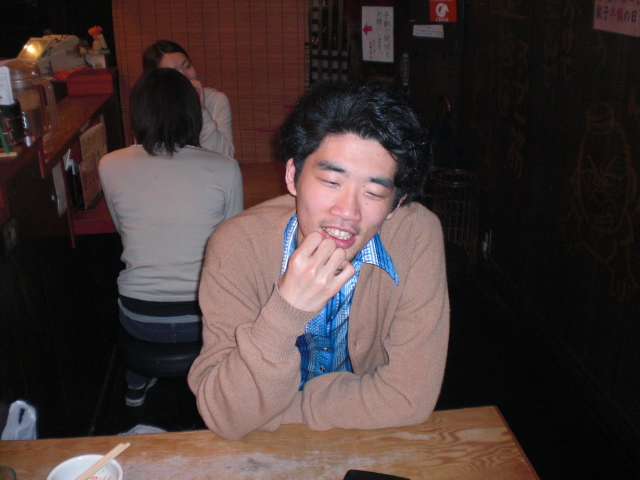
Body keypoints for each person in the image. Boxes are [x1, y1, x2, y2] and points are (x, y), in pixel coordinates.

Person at [188, 78, 449, 440]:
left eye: (374, 192)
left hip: (365, 439)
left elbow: (409, 398)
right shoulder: (236, 247)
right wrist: (286, 310)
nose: (347, 212)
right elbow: (225, 414)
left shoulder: (417, 236)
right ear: (293, 175)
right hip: (264, 445)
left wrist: (276, 410)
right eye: (330, 181)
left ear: (396, 204)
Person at [99, 68, 243, 407]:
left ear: (138, 115)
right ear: (194, 114)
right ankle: (218, 394)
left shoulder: (109, 165)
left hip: (139, 319)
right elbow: (232, 246)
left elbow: (123, 231)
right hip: (203, 318)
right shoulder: (225, 167)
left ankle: (136, 382)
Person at [143, 40, 235, 157]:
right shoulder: (149, 108)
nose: (185, 76)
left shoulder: (215, 100)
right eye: (173, 73)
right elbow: (146, 156)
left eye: (187, 66)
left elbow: (225, 156)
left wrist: (199, 110)